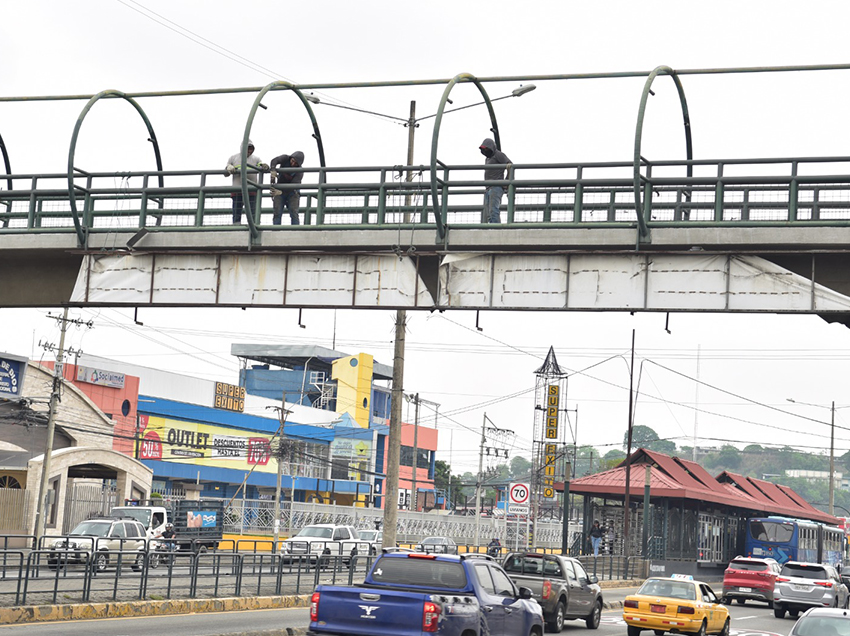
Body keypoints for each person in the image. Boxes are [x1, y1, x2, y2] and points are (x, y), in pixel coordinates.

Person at [225, 140, 268, 224]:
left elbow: (260, 166)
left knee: (253, 213)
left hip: (251, 190)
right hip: (237, 190)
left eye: (251, 149)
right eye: (248, 149)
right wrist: (228, 168)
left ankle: (254, 226)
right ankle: (236, 227)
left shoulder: (256, 159)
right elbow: (225, 173)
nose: (249, 151)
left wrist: (263, 166)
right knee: (237, 212)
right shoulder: (233, 158)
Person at [479, 138, 512, 224]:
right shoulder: (487, 159)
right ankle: (492, 227)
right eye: (483, 149)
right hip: (488, 187)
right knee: (488, 213)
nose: (485, 151)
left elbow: (510, 165)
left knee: (493, 211)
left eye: (486, 149)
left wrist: (507, 181)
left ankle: (495, 229)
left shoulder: (498, 154)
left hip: (496, 186)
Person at [269, 151, 305, 225]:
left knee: (293, 212)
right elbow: (274, 160)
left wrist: (281, 192)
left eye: (296, 164)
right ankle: (276, 231)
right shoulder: (285, 158)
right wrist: (273, 169)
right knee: (277, 212)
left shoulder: (300, 172)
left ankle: (295, 231)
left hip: (292, 192)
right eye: (292, 161)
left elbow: (293, 186)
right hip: (279, 190)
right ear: (290, 158)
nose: (293, 164)